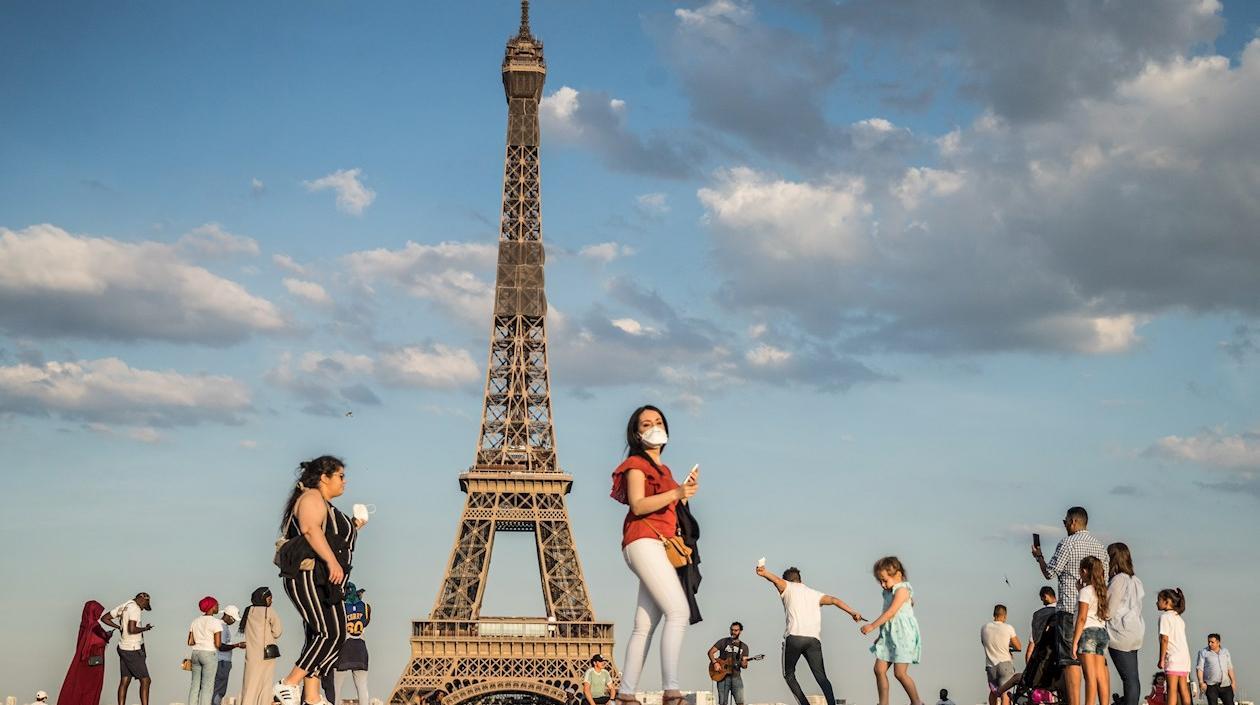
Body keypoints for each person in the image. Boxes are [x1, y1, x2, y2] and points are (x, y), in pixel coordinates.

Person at [609, 406, 699, 705]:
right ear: (636, 434)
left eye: (658, 422)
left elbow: (668, 510)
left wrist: (682, 491)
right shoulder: (636, 464)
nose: (653, 427)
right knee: (678, 612)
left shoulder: (665, 471)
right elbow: (637, 505)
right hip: (643, 541)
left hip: (655, 545)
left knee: (644, 624)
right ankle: (671, 691)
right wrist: (676, 493)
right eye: (646, 424)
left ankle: (626, 693)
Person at [274, 455, 365, 705]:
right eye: (340, 476)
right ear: (324, 477)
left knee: (324, 635)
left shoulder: (324, 503)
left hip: (326, 579)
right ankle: (288, 684)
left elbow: (330, 534)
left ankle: (312, 696)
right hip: (309, 574)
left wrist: (356, 525)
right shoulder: (311, 497)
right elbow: (311, 529)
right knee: (330, 633)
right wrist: (333, 562)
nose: (345, 482)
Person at [1031, 506, 1107, 705]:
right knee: (1097, 662)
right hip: (1095, 614)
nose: (1064, 525)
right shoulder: (1100, 547)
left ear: (1073, 522)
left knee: (1070, 661)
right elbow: (1104, 579)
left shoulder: (1067, 543)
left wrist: (1039, 557)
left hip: (1070, 609)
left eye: (1065, 522)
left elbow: (1050, 572)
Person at [757, 564, 863, 705]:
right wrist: (852, 612)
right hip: (813, 640)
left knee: (788, 675)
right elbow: (834, 600)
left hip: (794, 637)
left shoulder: (787, 586)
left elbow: (776, 580)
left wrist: (764, 573)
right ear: (800, 580)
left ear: (787, 580)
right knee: (822, 677)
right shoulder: (814, 594)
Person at [862, 556, 923, 705]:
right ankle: (883, 703)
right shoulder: (887, 593)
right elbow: (887, 617)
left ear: (898, 575)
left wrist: (872, 626)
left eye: (885, 580)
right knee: (879, 669)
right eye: (880, 581)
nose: (883, 584)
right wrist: (880, 635)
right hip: (889, 636)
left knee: (900, 673)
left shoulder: (902, 590)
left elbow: (891, 613)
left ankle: (916, 702)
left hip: (903, 636)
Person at [1105, 543, 1144, 705]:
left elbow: (1109, 611)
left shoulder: (1117, 580)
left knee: (1128, 679)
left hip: (1119, 633)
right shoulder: (1135, 580)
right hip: (1135, 631)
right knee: (1133, 678)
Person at [100, 592, 154, 705]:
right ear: (142, 599)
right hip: (132, 648)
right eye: (144, 605)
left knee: (125, 679)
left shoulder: (124, 605)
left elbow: (104, 618)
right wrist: (145, 628)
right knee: (146, 680)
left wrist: (119, 627)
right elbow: (132, 629)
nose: (143, 609)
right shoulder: (135, 609)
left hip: (122, 647)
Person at [1070, 557, 1110, 705]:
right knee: (1100, 675)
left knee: (1090, 677)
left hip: (1087, 633)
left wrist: (1074, 642)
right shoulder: (1102, 591)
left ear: (1085, 571)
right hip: (1102, 633)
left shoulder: (1086, 591)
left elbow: (1082, 618)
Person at [57, 601, 113, 705]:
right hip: (93, 663)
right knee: (90, 689)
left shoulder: (84, 625)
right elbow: (100, 640)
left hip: (82, 662)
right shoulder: (95, 627)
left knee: (78, 687)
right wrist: (108, 634)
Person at [239, 587, 284, 705]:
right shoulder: (269, 611)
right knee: (265, 684)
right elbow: (277, 631)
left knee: (249, 684)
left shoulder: (248, 611)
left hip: (251, 654)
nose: (271, 601)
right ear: (264, 598)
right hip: (267, 653)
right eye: (270, 598)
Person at [334, 584, 371, 705]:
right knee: (362, 687)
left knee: (336, 688)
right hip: (360, 649)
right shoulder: (365, 607)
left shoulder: (340, 607)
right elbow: (366, 622)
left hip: (343, 648)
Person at [1156, 588, 1191, 705]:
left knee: (1172, 689)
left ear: (1167, 601)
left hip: (1173, 657)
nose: (1157, 603)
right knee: (1184, 689)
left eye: (1159, 600)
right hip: (1184, 657)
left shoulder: (1165, 617)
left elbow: (1164, 639)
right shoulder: (1179, 618)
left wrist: (1161, 659)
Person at [981, 605, 1021, 705]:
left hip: (990, 666)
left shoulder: (984, 628)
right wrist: (1008, 646)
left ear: (994, 614)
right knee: (1005, 692)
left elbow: (984, 643)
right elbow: (1018, 646)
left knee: (993, 692)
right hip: (1005, 664)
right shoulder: (1008, 628)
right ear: (1005, 616)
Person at [188, 596, 225, 705]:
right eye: (217, 605)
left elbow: (190, 642)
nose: (218, 607)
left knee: (195, 685)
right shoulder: (215, 622)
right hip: (209, 653)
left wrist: (201, 641)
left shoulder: (195, 621)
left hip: (195, 653)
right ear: (212, 607)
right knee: (207, 687)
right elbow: (218, 644)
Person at [708, 622, 751, 705]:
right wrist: (715, 663)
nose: (733, 632)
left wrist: (744, 663)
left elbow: (744, 666)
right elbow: (710, 652)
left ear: (740, 631)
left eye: (736, 630)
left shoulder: (744, 647)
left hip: (736, 677)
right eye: (731, 630)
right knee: (723, 702)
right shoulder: (723, 641)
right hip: (722, 677)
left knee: (740, 702)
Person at [213, 605, 245, 705]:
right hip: (222, 662)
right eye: (233, 619)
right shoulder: (221, 627)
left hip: (220, 662)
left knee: (215, 689)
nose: (234, 622)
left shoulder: (220, 625)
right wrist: (238, 645)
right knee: (219, 690)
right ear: (228, 616)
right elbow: (221, 646)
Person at [1195, 633, 1237, 705]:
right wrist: (1201, 682)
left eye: (1212, 642)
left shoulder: (1225, 652)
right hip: (1211, 685)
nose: (1210, 644)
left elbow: (1229, 667)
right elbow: (1200, 668)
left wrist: (1233, 682)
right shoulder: (1203, 652)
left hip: (1225, 685)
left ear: (1218, 642)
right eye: (1209, 642)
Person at [1027, 587, 1057, 661]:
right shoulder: (1064, 612)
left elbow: (1033, 643)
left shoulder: (1038, 615)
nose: (1042, 601)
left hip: (1044, 656)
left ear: (1045, 596)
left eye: (1042, 598)